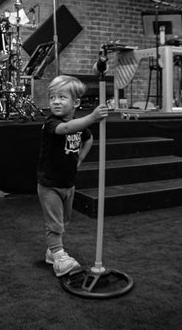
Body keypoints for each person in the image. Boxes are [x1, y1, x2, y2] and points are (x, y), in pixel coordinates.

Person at [37, 75, 108, 277]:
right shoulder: (51, 122)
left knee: (64, 221)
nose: (56, 102)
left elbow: (88, 138)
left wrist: (80, 159)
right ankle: (59, 257)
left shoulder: (78, 124)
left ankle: (52, 252)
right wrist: (93, 117)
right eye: (52, 97)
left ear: (76, 103)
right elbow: (66, 129)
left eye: (62, 97)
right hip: (49, 184)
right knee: (55, 224)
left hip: (68, 183)